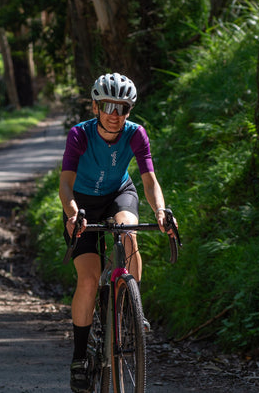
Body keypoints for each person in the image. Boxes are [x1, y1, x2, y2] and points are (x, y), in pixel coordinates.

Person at [59, 72, 177, 393]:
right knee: (88, 277)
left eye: (122, 107)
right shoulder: (79, 135)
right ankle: (80, 357)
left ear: (129, 111)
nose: (115, 114)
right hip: (81, 203)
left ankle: (130, 311)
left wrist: (161, 211)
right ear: (96, 106)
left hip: (118, 193)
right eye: (108, 106)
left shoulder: (136, 134)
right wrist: (73, 215)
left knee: (128, 230)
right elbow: (66, 184)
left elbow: (149, 181)